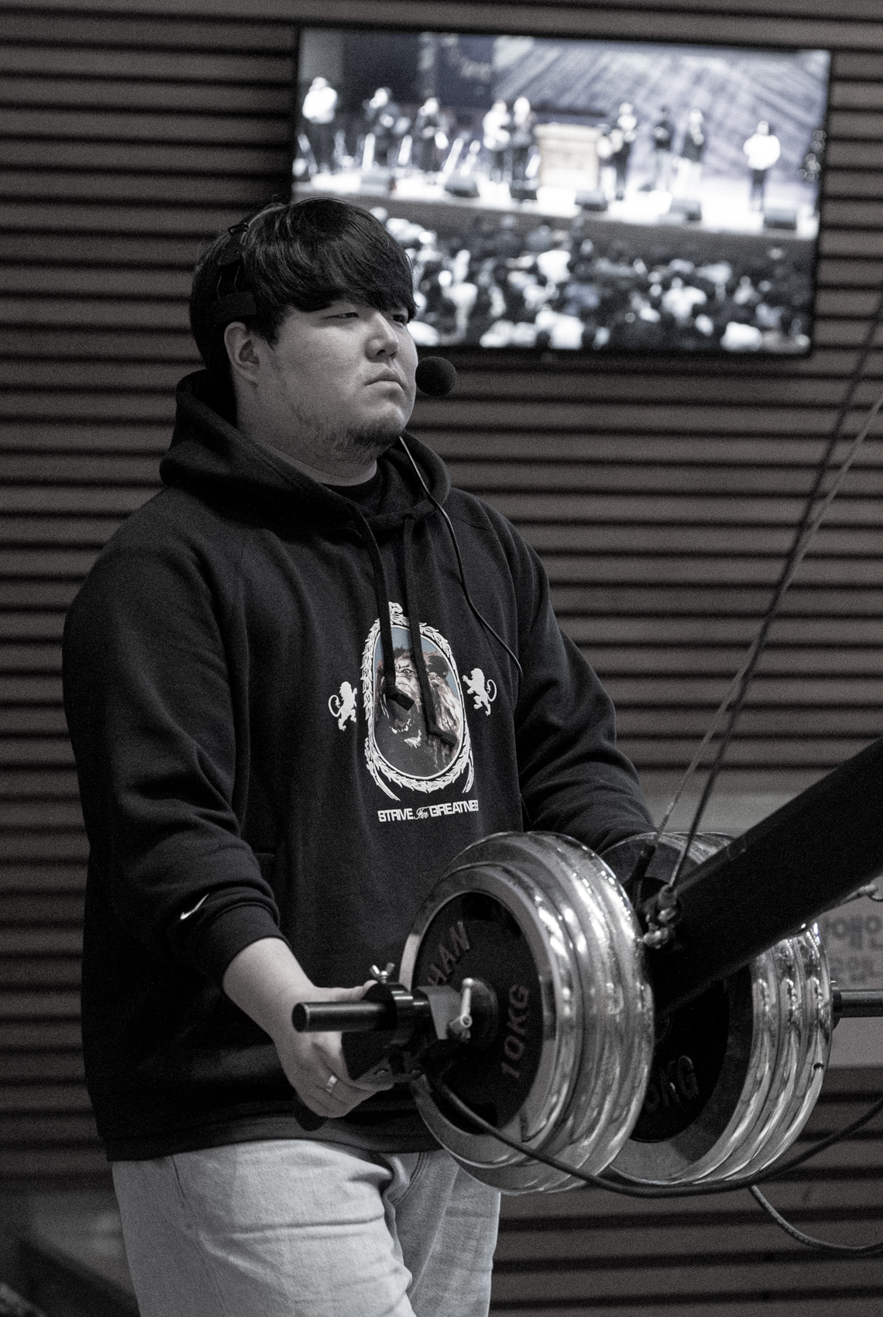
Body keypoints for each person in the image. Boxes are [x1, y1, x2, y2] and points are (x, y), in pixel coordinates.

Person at [64, 198, 653, 1317]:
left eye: (398, 311)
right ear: (247, 351)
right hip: (248, 1097)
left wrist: (643, 879)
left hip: (457, 1092)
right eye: (342, 315)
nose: (389, 339)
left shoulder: (481, 547)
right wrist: (293, 1008)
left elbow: (571, 763)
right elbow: (168, 835)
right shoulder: (163, 570)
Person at [742, 120, 780, 213]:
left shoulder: (772, 140)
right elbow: (747, 149)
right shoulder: (755, 138)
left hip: (764, 166)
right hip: (755, 165)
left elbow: (775, 152)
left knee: (762, 186)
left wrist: (769, 161)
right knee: (753, 186)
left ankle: (760, 205)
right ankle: (752, 204)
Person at [645, 105, 674, 192]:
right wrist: (659, 134)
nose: (663, 115)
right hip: (656, 150)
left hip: (666, 152)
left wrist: (660, 134)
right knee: (654, 171)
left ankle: (667, 190)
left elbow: (666, 136)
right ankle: (654, 189)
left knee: (666, 172)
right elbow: (651, 135)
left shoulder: (670, 125)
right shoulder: (656, 124)